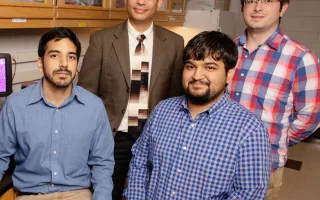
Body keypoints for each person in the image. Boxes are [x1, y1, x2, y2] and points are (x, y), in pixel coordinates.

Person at [124, 31, 271, 200]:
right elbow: (139, 162)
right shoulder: (162, 111)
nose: (197, 76)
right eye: (190, 66)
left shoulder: (249, 130)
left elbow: (248, 194)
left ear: (229, 75)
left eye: (210, 67)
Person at [77, 0, 185, 198]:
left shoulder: (175, 43)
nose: (141, 2)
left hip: (155, 139)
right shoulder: (101, 40)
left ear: (159, 2)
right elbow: (86, 95)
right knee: (108, 193)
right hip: (112, 138)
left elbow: (175, 97)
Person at [0, 27, 114, 200]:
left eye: (71, 57)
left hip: (78, 194)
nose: (64, 63)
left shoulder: (94, 107)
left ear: (77, 65)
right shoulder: (15, 106)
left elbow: (103, 164)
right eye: (54, 55)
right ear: (40, 63)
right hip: (31, 195)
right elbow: (1, 156)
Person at [228, 0, 320, 199]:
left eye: (267, 1)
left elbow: (310, 117)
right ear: (242, 6)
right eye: (251, 1)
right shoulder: (226, 51)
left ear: (283, 8)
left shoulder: (301, 58)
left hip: (262, 170)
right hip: (216, 162)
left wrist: (275, 142)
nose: (258, 7)